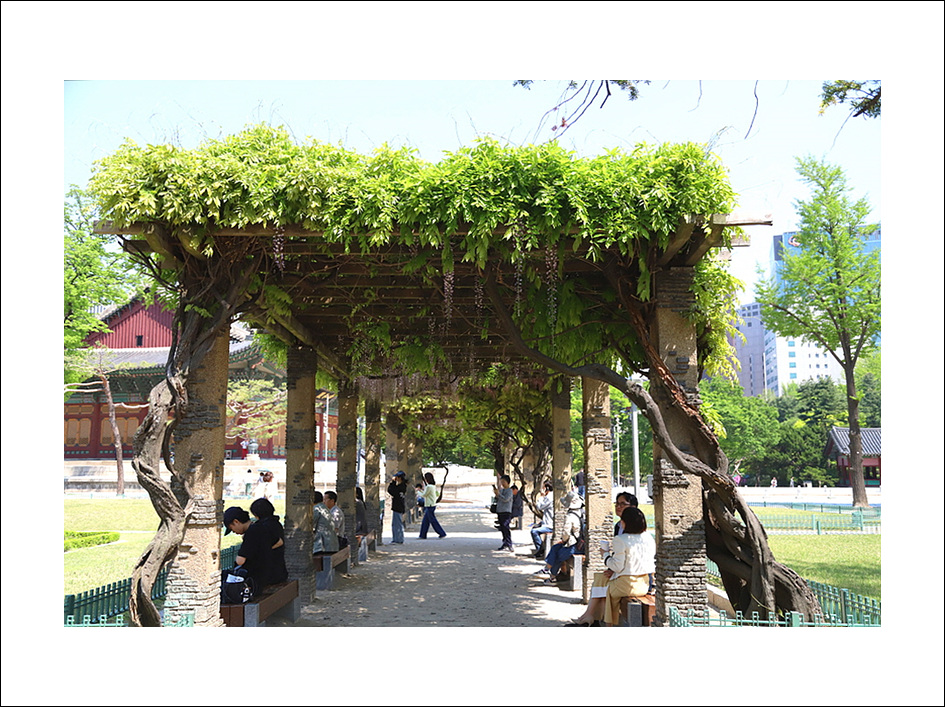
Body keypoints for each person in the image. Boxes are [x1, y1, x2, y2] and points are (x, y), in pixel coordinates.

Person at [565, 506, 655, 626]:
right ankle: (589, 616)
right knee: (600, 578)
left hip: (627, 584)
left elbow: (617, 567)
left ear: (625, 522)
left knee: (605, 591)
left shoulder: (621, 539)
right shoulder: (648, 537)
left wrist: (605, 554)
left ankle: (605, 623)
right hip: (644, 583)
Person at [222, 504, 287, 596]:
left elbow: (240, 561)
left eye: (232, 529)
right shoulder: (262, 526)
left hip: (258, 580)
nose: (234, 532)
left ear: (236, 522)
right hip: (276, 574)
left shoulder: (251, 533)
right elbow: (279, 542)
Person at [536, 491, 583, 580]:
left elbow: (566, 533)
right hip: (579, 544)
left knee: (558, 554)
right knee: (555, 548)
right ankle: (547, 569)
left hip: (574, 546)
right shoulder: (581, 513)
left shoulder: (570, 516)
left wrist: (564, 541)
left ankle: (551, 576)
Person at [249, 497, 288, 584]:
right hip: (280, 570)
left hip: (268, 573)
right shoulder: (276, 523)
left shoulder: (263, 527)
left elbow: (278, 542)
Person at [418, 472, 447, 539]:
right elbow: (426, 493)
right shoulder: (432, 486)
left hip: (429, 505)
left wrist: (418, 492)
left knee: (433, 521)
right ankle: (422, 535)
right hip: (431, 505)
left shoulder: (428, 486)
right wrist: (421, 491)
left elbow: (424, 495)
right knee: (425, 521)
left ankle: (442, 533)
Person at [530, 482, 554, 557]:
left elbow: (539, 507)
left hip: (549, 525)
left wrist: (541, 497)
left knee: (534, 531)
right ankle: (540, 548)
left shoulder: (549, 497)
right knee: (534, 527)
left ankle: (540, 550)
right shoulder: (549, 496)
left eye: (543, 488)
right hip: (547, 522)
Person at [493, 474, 514, 551]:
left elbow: (506, 499)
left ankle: (509, 543)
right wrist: (496, 494)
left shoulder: (509, 491)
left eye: (503, 482)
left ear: (507, 482)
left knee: (506, 527)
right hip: (500, 511)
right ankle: (505, 543)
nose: (502, 483)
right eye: (501, 482)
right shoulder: (501, 490)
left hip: (506, 511)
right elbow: (498, 499)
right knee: (502, 528)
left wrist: (499, 494)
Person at [387, 471, 408, 543]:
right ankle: (397, 539)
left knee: (397, 524)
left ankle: (398, 539)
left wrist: (393, 482)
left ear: (399, 478)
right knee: (396, 524)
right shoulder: (402, 486)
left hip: (398, 507)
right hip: (399, 507)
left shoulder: (401, 487)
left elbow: (391, 490)